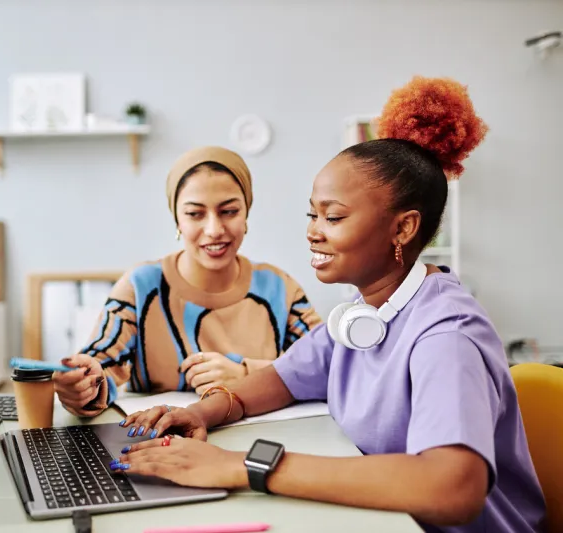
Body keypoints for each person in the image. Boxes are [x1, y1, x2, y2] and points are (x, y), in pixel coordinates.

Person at [110, 77, 547, 533]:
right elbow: (279, 380)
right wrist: (199, 414)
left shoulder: (445, 336)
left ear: (403, 229)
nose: (314, 231)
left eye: (333, 217)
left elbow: (452, 488)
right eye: (312, 214)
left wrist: (243, 466)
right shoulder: (363, 316)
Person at [52, 146, 322, 418]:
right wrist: (83, 387)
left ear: (246, 213)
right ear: (177, 220)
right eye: (195, 214)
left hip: (258, 445)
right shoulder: (141, 287)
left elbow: (335, 370)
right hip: (156, 444)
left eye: (229, 211)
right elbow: (100, 368)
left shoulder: (279, 288)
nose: (215, 230)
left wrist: (247, 373)